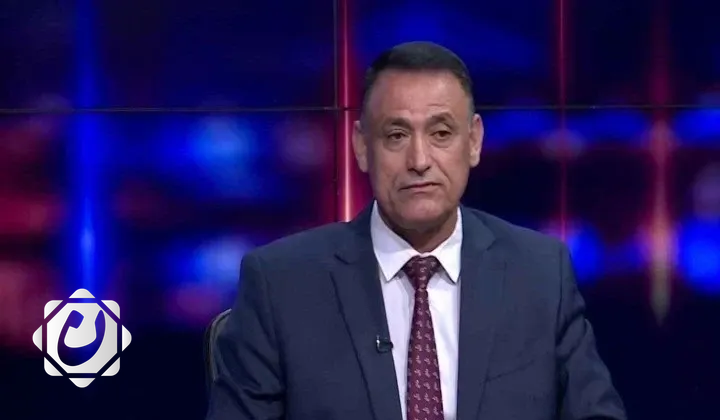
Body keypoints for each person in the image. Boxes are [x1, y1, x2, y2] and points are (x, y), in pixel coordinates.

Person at [206, 41, 626, 420]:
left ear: (474, 141)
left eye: (441, 133)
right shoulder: (281, 285)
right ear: (362, 146)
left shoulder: (540, 273)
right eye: (396, 135)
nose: (419, 160)